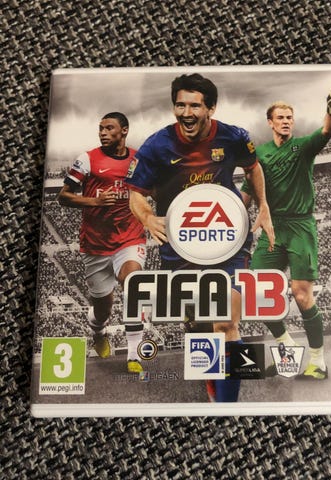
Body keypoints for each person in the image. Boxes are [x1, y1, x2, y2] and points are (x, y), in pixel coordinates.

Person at [127, 73, 274, 402]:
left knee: (225, 323)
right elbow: (136, 193)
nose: (186, 112)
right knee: (197, 325)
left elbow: (253, 168)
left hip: (227, 239)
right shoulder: (156, 146)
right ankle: (211, 379)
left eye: (195, 106)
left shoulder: (233, 137)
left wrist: (263, 205)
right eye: (180, 105)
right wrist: (147, 217)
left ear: (211, 108)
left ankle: (226, 406)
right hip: (180, 247)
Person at [242, 88, 331, 379]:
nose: (286, 121)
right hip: (272, 229)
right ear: (270, 122)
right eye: (280, 118)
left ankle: (318, 362)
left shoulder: (302, 147)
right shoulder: (260, 155)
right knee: (257, 293)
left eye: (289, 117)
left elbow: (326, 131)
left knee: (301, 295)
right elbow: (247, 193)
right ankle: (287, 346)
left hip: (300, 227)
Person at [58, 112, 146, 373]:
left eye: (109, 128)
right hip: (95, 244)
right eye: (101, 129)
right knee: (102, 308)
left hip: (129, 237)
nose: (103, 133)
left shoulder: (138, 160)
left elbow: (151, 188)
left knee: (134, 284)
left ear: (124, 130)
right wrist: (94, 201)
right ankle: (98, 331)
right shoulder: (87, 160)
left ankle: (134, 356)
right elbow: (63, 196)